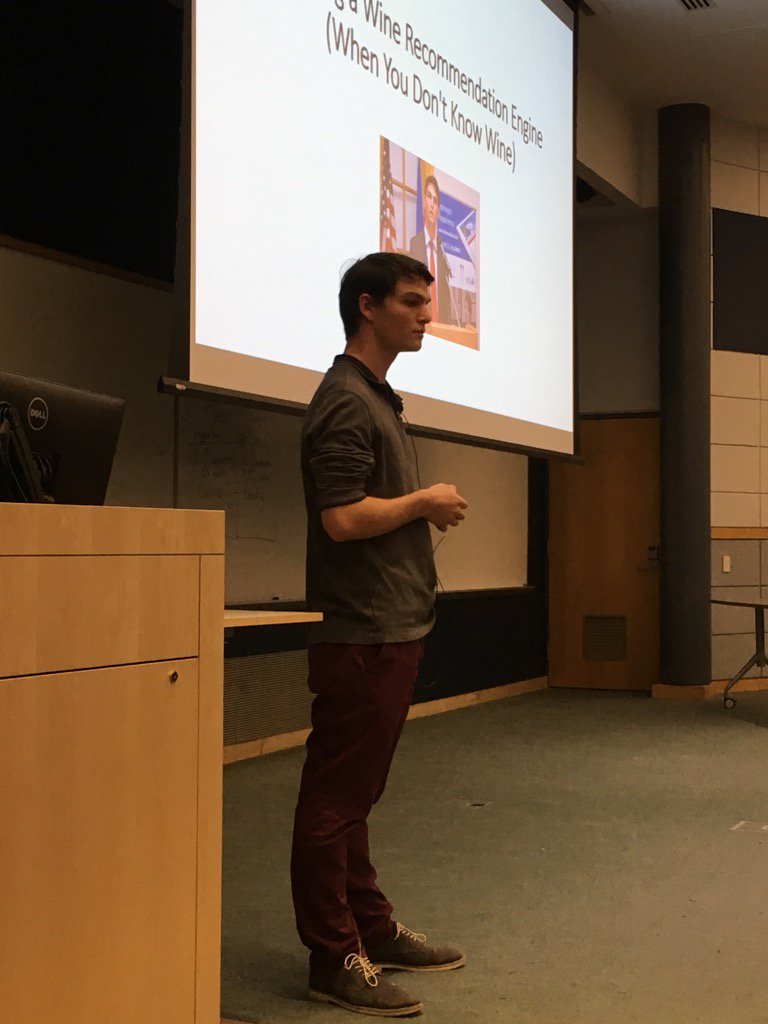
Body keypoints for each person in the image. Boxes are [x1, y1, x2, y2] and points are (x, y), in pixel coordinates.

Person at [291, 252, 469, 1017]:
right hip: (360, 633)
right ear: (367, 307)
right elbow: (341, 517)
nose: (428, 315)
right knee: (334, 802)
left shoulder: (376, 397)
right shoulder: (343, 401)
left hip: (390, 628)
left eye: (428, 302)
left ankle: (371, 925)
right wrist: (422, 501)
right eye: (411, 302)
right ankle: (334, 957)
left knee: (355, 797)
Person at [408, 175, 454, 324]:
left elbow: (445, 302)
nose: (432, 204)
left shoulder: (441, 252)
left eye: (435, 200)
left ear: (439, 210)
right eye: (429, 197)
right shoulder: (415, 244)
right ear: (424, 203)